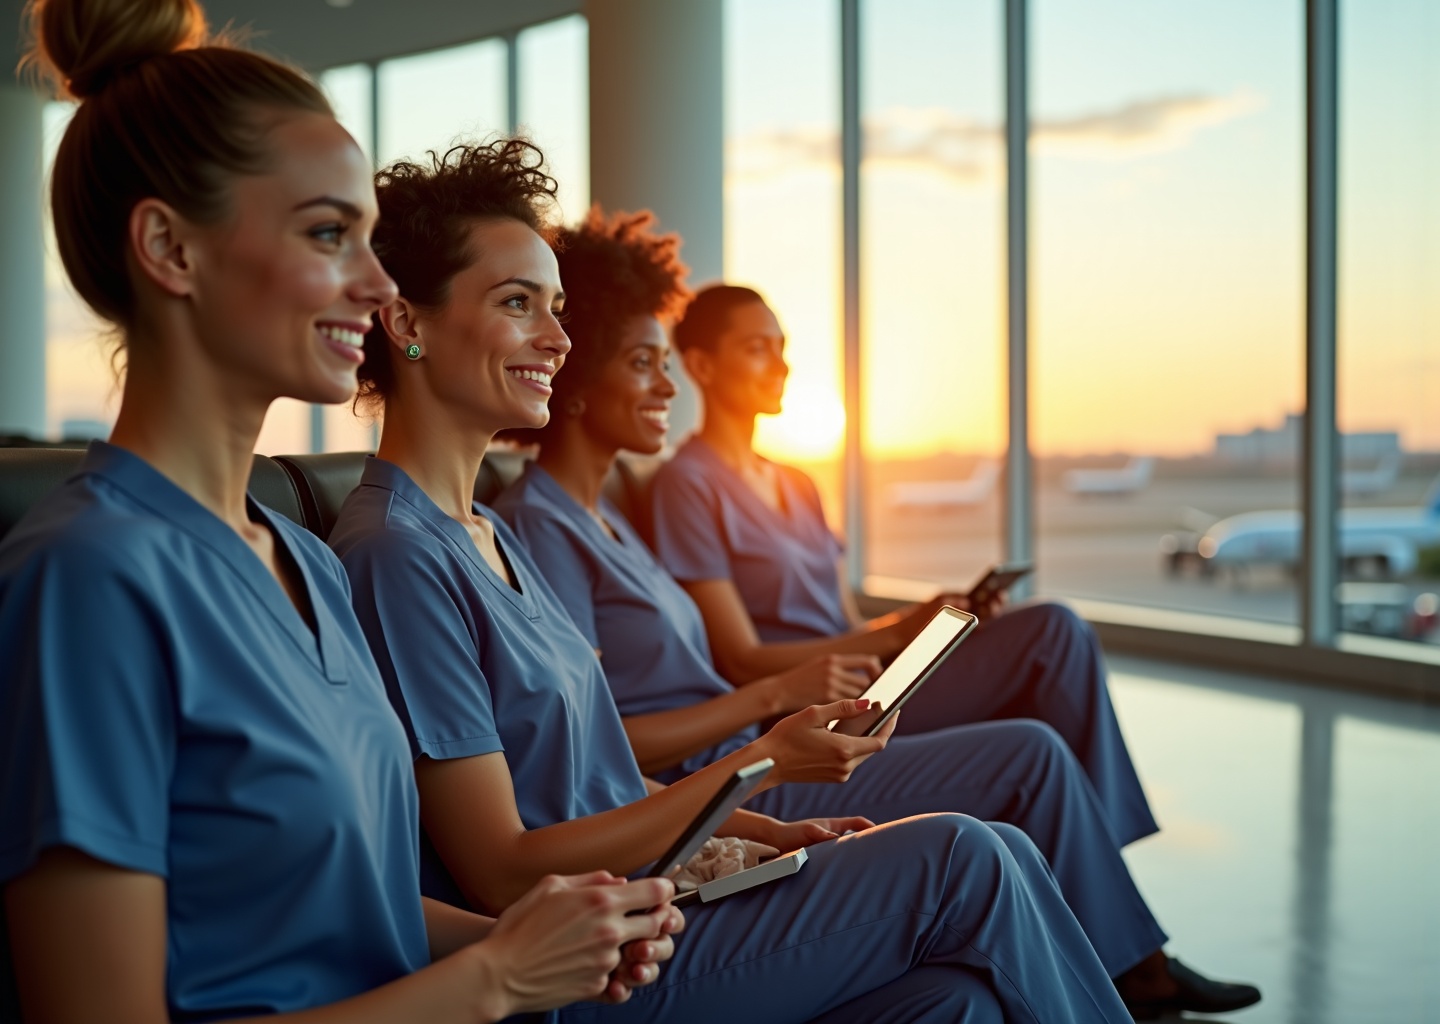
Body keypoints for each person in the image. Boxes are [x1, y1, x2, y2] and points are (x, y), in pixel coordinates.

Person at [330, 138, 1138, 1023]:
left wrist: (763, 827)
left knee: (957, 1001)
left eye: (556, 309)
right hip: (597, 958)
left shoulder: (488, 536)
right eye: (517, 303)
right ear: (404, 324)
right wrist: (763, 759)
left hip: (661, 886)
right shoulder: (398, 556)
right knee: (967, 858)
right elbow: (499, 870)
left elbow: (602, 778)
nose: (558, 339)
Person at [0, 3, 679, 1021]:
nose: (375, 283)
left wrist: (545, 941)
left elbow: (354, 912)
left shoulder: (304, 561)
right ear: (170, 249)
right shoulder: (89, 580)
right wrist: (496, 977)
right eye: (330, 234)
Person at [491, 207, 1264, 1020]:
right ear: (577, 381)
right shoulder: (548, 528)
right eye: (643, 363)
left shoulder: (612, 520)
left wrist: (880, 647)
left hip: (748, 753)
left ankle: (1113, 926)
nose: (667, 387)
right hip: (725, 767)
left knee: (1043, 683)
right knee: (1020, 774)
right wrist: (774, 712)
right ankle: (1131, 956)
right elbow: (600, 742)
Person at [649, 282, 1160, 849]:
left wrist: (918, 627)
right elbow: (740, 658)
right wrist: (898, 632)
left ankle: (1096, 845)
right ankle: (1097, 858)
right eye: (756, 349)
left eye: (782, 347)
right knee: (1044, 675)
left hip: (870, 680)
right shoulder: (687, 485)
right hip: (814, 709)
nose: (781, 365)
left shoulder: (798, 484)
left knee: (1054, 628)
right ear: (701, 365)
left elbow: (846, 622)